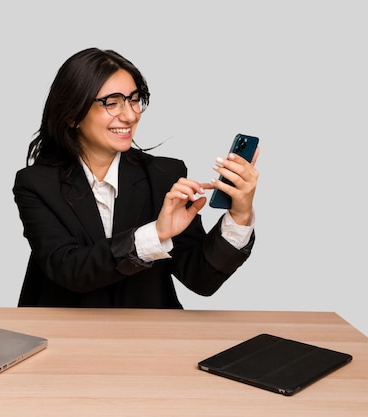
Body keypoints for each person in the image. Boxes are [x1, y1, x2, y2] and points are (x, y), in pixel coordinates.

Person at [13, 47, 259, 308]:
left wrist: (239, 215)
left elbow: (201, 279)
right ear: (73, 114)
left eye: (133, 99)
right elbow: (69, 269)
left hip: (148, 336)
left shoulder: (164, 176)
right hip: (64, 335)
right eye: (112, 102)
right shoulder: (37, 184)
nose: (130, 115)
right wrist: (156, 233)